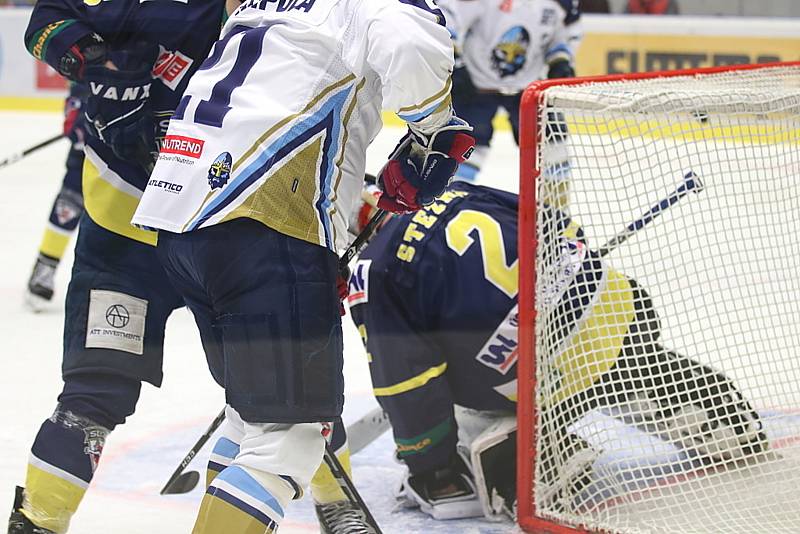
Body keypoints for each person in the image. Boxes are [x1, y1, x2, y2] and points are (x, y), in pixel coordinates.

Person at [130, 0, 476, 533]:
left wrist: (317, 252)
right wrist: (434, 130)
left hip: (181, 220)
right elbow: (407, 43)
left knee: (251, 417)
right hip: (259, 220)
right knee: (288, 438)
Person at [345, 180, 769, 520]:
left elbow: (407, 382)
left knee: (446, 385)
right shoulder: (452, 189)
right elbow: (558, 224)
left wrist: (428, 465)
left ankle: (536, 460)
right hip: (618, 308)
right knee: (619, 360)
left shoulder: (374, 270)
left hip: (539, 377)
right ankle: (725, 418)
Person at [7, 2, 228, 533]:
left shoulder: (279, 16)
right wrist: (90, 59)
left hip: (229, 229)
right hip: (122, 234)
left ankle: (331, 497)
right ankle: (38, 522)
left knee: (277, 393)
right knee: (91, 397)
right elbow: (48, 21)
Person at [435, 0, 582, 189]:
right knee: (462, 150)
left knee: (554, 149)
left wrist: (560, 60)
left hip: (528, 89)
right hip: (476, 86)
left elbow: (566, 33)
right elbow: (448, 19)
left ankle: (554, 212)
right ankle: (446, 205)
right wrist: (455, 61)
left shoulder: (562, 4)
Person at [25, 84, 87, 311]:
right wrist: (77, 122)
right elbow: (76, 100)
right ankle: (45, 267)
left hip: (126, 152)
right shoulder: (92, 61)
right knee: (68, 206)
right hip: (84, 159)